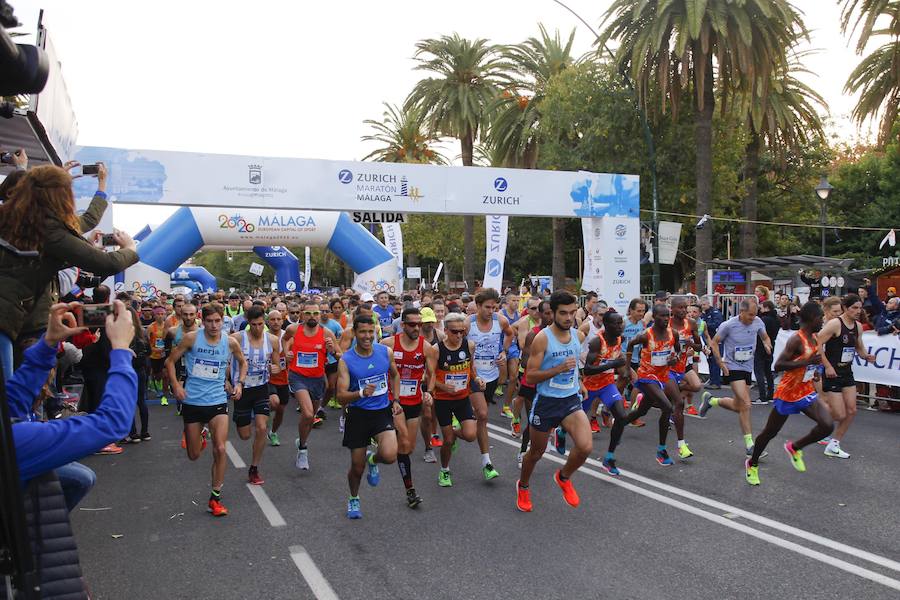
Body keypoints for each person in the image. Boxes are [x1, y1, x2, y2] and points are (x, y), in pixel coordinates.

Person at [0, 164, 137, 379]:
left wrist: (48, 179)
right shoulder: (48, 228)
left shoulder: (12, 219)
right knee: (10, 401)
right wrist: (130, 249)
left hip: (18, 322)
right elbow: (106, 263)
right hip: (12, 320)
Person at [11, 301, 137, 510]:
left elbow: (12, 402)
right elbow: (112, 423)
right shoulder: (14, 442)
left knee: (81, 477)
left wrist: (49, 343)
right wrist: (121, 351)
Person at [166, 302, 248, 517]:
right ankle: (201, 434)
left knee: (220, 448)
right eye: (209, 321)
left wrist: (239, 383)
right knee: (193, 455)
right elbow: (170, 362)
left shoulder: (230, 343)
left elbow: (243, 362)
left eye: (217, 321)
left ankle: (215, 497)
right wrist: (175, 385)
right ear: (203, 320)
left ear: (223, 321)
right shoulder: (192, 338)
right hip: (193, 401)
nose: (213, 325)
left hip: (218, 401)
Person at [516, 290, 591, 513]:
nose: (568, 317)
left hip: (569, 400)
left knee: (585, 447)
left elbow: (576, 365)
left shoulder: (578, 336)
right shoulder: (542, 339)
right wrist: (557, 369)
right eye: (563, 313)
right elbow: (530, 376)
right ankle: (523, 486)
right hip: (547, 402)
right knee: (536, 453)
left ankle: (563, 477)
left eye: (572, 312)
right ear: (553, 314)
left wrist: (581, 382)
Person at [745, 302, 834, 485]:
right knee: (770, 432)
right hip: (788, 393)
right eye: (820, 318)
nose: (823, 322)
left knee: (827, 425)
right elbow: (778, 366)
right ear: (812, 319)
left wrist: (814, 371)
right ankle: (752, 463)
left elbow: (810, 362)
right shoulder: (796, 339)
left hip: (806, 391)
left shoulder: (816, 338)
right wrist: (805, 362)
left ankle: (795, 447)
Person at [336, 315, 401, 518]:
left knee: (390, 455)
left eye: (370, 331)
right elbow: (340, 397)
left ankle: (373, 459)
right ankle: (354, 498)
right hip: (358, 415)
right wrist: (360, 393)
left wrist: (396, 399)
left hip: (381, 412)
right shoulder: (346, 360)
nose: (367, 336)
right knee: (357, 467)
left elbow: (395, 375)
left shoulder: (385, 352)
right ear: (355, 333)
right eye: (362, 332)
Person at [699, 300, 773, 457]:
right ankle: (750, 446)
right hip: (732, 367)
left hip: (747, 367)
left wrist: (767, 344)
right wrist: (720, 362)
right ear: (742, 312)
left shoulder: (758, 322)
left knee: (739, 405)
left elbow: (765, 337)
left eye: (755, 315)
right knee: (746, 404)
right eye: (750, 315)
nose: (753, 318)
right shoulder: (729, 325)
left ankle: (711, 401)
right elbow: (714, 342)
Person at [381, 307, 437, 508]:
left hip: (414, 402)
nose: (417, 328)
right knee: (403, 438)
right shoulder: (388, 345)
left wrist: (429, 391)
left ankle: (379, 453)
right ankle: (410, 491)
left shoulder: (426, 347)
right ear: (403, 325)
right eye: (412, 324)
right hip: (392, 401)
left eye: (419, 325)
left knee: (407, 448)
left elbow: (432, 374)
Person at [618, 303, 681, 467]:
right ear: (654, 318)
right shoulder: (646, 335)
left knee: (641, 411)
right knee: (667, 407)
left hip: (663, 376)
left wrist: (676, 358)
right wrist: (627, 366)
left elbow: (678, 351)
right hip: (646, 376)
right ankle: (662, 450)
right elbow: (630, 344)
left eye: (668, 316)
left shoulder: (673, 333)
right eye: (662, 316)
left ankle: (619, 424)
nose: (666, 319)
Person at [282, 300, 341, 470]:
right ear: (302, 314)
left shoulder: (326, 333)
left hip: (317, 380)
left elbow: (340, 356)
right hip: (297, 376)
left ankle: (302, 442)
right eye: (308, 313)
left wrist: (332, 351)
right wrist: (287, 353)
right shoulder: (294, 329)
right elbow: (285, 340)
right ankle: (303, 449)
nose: (312, 317)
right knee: (308, 415)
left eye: (315, 313)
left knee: (311, 415)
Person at [816, 294, 876, 459]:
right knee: (839, 414)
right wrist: (827, 366)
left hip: (847, 372)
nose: (858, 311)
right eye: (854, 308)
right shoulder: (835, 324)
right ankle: (818, 418)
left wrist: (867, 356)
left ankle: (834, 444)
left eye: (860, 308)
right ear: (845, 308)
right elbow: (817, 344)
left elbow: (859, 348)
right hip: (832, 373)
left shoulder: (858, 326)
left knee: (852, 410)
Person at [465, 288, 514, 480]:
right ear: (477, 306)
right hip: (472, 374)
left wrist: (504, 351)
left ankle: (457, 428)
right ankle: (487, 462)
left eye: (494, 307)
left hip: (492, 374)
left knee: (479, 418)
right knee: (483, 414)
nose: (490, 311)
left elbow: (510, 334)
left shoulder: (500, 321)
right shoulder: (468, 324)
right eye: (487, 307)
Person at [229, 305, 281, 485]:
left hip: (261, 388)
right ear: (248, 323)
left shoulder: (273, 340)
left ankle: (254, 468)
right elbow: (225, 362)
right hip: (242, 390)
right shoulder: (236, 339)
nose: (258, 328)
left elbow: (278, 365)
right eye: (254, 325)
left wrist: (276, 368)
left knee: (261, 428)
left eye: (260, 324)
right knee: (244, 435)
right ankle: (247, 420)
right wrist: (228, 383)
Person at [431, 312, 481, 488]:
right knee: (448, 440)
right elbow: (427, 377)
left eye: (462, 331)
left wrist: (476, 379)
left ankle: (453, 432)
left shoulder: (470, 345)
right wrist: (443, 386)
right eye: (454, 332)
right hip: (443, 400)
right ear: (446, 331)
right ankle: (444, 470)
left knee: (470, 435)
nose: (459, 335)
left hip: (462, 398)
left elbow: (471, 367)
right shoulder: (437, 350)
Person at [583, 311, 629, 473]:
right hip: (589, 387)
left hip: (608, 385)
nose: (620, 326)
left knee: (622, 417)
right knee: (572, 421)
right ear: (607, 325)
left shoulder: (619, 339)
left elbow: (615, 358)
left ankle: (609, 458)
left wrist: (622, 369)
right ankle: (560, 432)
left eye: (621, 322)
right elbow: (587, 370)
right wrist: (613, 364)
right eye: (616, 323)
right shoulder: (597, 342)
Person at [164, 301, 199, 416]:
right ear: (180, 314)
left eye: (191, 314)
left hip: (197, 366)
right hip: (180, 365)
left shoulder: (202, 332)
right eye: (185, 314)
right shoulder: (173, 331)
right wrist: (168, 359)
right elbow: (167, 346)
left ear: (196, 315)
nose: (188, 317)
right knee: (180, 396)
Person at [125, 306, 151, 444]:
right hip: (140, 369)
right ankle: (145, 431)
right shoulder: (143, 332)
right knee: (141, 401)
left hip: (128, 370)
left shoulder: (123, 333)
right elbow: (149, 351)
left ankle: (133, 433)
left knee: (130, 401)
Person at [266, 309, 291, 446]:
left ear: (282, 320)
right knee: (274, 402)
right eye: (272, 319)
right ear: (268, 321)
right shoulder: (263, 337)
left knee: (280, 410)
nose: (275, 322)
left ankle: (273, 432)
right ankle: (262, 412)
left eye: (278, 319)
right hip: (268, 379)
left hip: (284, 379)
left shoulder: (287, 338)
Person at [755, 300, 781, 405]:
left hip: (761, 346)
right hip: (771, 345)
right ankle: (770, 394)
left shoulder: (763, 320)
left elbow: (758, 332)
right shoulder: (776, 319)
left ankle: (762, 396)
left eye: (761, 307)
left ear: (766, 308)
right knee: (768, 371)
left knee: (759, 371)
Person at [147, 306, 170, 406]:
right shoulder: (151, 327)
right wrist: (153, 349)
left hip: (164, 353)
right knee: (157, 374)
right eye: (158, 314)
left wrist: (166, 348)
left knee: (165, 373)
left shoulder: (167, 326)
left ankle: (164, 391)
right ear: (154, 315)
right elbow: (147, 343)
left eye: (162, 314)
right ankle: (158, 388)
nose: (160, 316)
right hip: (154, 354)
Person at [700, 296, 724, 388]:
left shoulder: (715, 313)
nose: (703, 306)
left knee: (715, 360)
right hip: (708, 340)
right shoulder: (703, 314)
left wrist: (705, 325)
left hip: (716, 339)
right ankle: (712, 380)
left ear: (708, 303)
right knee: (710, 360)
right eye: (701, 305)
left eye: (704, 304)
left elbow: (716, 325)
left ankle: (716, 382)